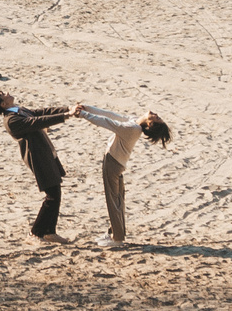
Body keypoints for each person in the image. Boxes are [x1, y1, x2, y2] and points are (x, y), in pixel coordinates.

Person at [73, 102, 172, 247]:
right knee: (118, 200)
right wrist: (87, 108)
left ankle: (117, 238)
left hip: (113, 164)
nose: (156, 114)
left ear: (150, 124)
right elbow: (112, 115)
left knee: (113, 201)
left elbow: (106, 122)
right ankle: (114, 233)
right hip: (117, 163)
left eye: (157, 118)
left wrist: (83, 114)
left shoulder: (132, 129)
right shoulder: (134, 122)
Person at [0, 88, 75, 243]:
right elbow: (37, 122)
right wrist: (66, 116)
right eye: (3, 95)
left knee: (55, 192)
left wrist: (67, 109)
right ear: (3, 104)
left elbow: (41, 113)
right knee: (52, 195)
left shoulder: (18, 110)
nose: (7, 93)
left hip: (46, 153)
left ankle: (49, 232)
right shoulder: (11, 121)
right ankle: (36, 232)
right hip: (38, 158)